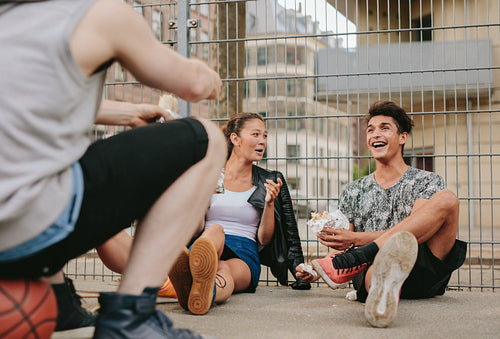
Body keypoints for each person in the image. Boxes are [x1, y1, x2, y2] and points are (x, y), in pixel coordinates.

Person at [0, 0, 226, 338]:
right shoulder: (100, 12)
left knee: (47, 160)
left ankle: (59, 301)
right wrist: (209, 75)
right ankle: (132, 315)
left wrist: (128, 112)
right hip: (25, 231)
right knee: (205, 139)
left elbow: (34, 104)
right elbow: (192, 85)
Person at [296, 101, 466, 328]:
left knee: (448, 198)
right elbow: (342, 250)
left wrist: (357, 242)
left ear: (402, 137)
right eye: (370, 129)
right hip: (374, 269)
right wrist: (319, 268)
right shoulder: (353, 190)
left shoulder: (427, 181)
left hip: (422, 264)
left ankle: (367, 259)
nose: (375, 134)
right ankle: (383, 298)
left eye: (385, 127)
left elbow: (412, 235)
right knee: (379, 268)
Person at [163, 112, 310, 315]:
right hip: (209, 241)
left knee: (224, 269)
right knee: (214, 230)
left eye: (265, 136)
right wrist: (203, 197)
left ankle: (202, 292)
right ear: (235, 139)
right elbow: (197, 227)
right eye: (256, 134)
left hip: (244, 251)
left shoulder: (269, 180)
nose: (262, 141)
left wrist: (268, 203)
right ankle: (197, 272)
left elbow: (264, 239)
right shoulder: (209, 174)